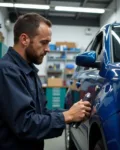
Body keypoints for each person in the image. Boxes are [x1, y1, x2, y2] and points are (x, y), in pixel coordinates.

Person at [0, 13, 91, 150]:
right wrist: (67, 116)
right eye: (44, 42)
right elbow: (25, 125)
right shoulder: (7, 71)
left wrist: (71, 112)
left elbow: (40, 113)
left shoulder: (29, 70)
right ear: (24, 39)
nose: (48, 49)